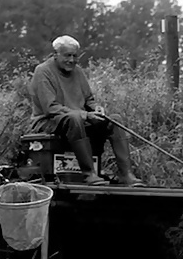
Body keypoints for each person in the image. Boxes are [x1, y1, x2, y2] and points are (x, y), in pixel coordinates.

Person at [28, 35, 143, 186]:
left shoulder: (78, 72)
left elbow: (89, 99)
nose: (71, 60)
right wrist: (85, 115)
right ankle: (89, 174)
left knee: (114, 119)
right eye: (67, 55)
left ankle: (126, 174)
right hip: (48, 121)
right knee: (74, 119)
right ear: (55, 54)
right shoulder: (43, 71)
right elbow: (51, 108)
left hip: (77, 120)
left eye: (75, 56)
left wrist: (97, 109)